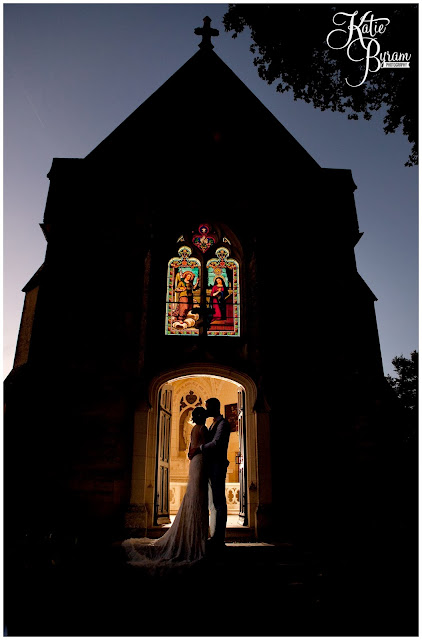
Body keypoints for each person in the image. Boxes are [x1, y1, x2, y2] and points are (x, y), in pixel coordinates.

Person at [122, 406, 209, 569]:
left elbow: (191, 449)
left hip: (195, 463)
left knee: (194, 495)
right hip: (201, 462)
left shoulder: (193, 429)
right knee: (198, 497)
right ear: (201, 417)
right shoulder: (203, 428)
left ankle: (193, 532)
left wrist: (194, 453)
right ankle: (197, 536)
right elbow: (208, 446)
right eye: (204, 415)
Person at [189, 397, 231, 555]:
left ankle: (219, 539)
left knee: (219, 502)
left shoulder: (223, 424)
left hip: (218, 467)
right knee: (213, 503)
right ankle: (214, 536)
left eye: (208, 407)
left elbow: (217, 443)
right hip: (209, 466)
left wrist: (198, 449)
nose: (206, 410)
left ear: (215, 407)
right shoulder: (213, 423)